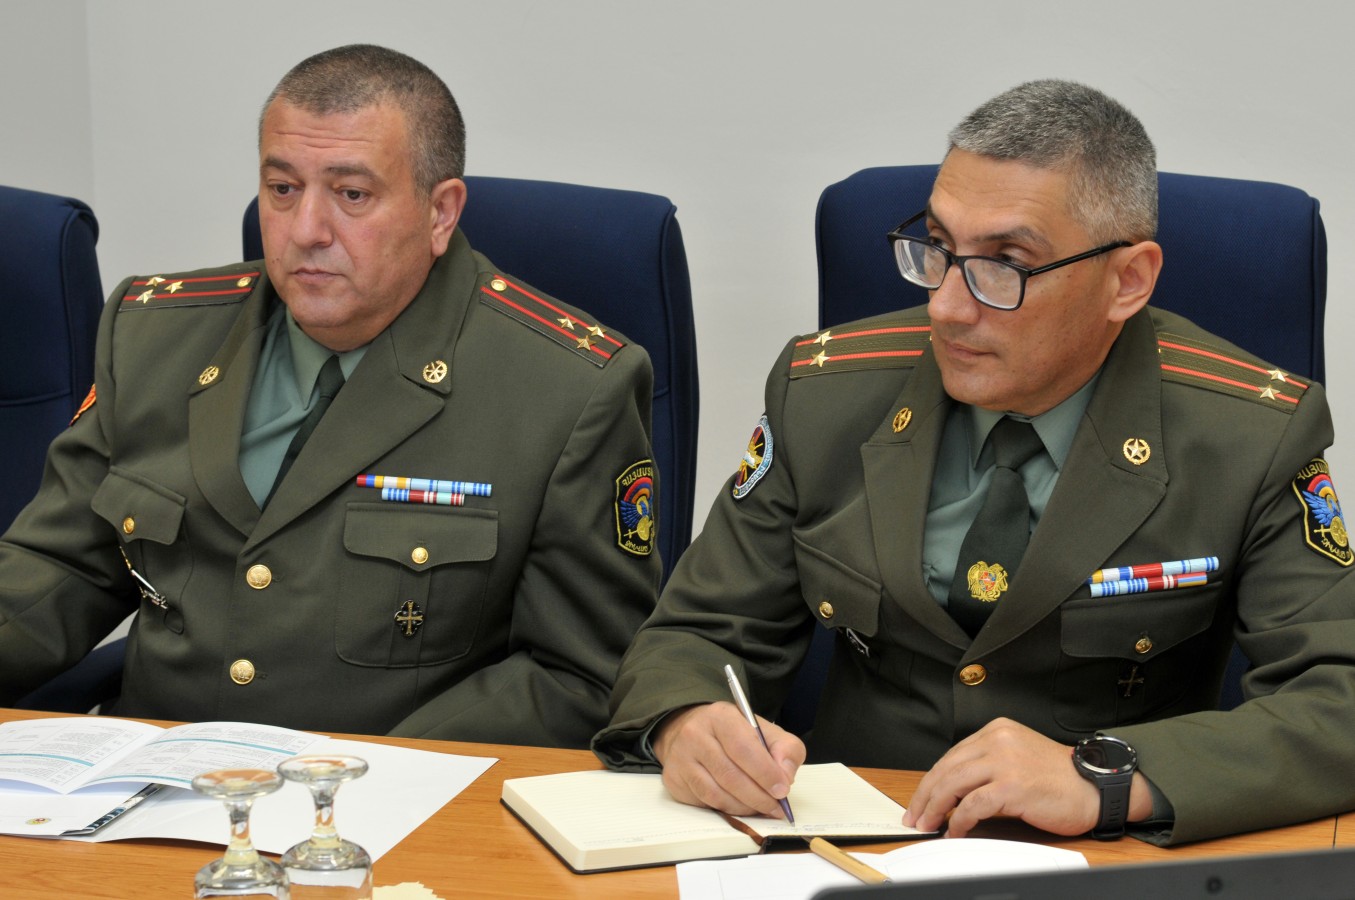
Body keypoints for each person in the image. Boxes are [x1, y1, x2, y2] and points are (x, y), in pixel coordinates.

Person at [594, 79, 1355, 844]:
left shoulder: (1248, 434)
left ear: (1127, 280)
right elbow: (698, 632)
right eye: (937, 249)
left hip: (1102, 855)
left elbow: (1339, 700)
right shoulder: (821, 394)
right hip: (846, 843)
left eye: (1005, 265)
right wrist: (687, 719)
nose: (947, 306)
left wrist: (1108, 778)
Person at [0, 44, 660, 748]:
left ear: (441, 213)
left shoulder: (568, 386)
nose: (305, 231)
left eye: (351, 195)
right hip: (156, 786)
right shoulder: (153, 334)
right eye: (282, 189)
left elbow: (580, 673)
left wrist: (361, 776)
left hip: (400, 794)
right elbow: (61, 567)